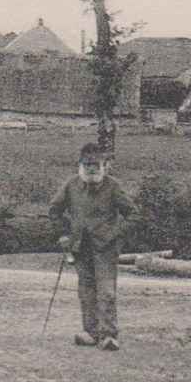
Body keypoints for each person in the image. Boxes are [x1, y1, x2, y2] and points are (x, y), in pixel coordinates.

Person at [47, 142, 139, 351]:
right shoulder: (71, 186)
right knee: (86, 291)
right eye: (87, 164)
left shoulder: (113, 187)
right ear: (80, 164)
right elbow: (54, 210)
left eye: (96, 164)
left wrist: (114, 234)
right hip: (80, 247)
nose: (91, 169)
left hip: (106, 248)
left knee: (106, 292)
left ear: (104, 165)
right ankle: (90, 332)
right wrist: (63, 234)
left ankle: (109, 335)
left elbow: (134, 215)